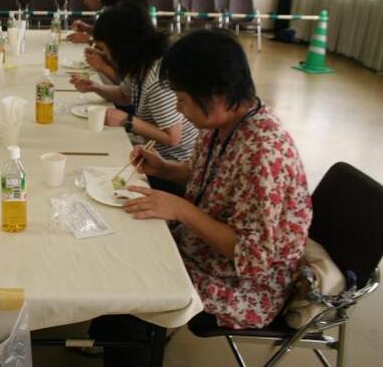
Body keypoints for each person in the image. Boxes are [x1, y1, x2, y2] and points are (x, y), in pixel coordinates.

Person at [125, 29, 312, 326]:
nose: (178, 107)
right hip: (203, 251)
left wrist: (181, 209)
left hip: (246, 286)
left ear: (218, 94)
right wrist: (163, 168)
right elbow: (206, 176)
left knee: (137, 279)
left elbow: (252, 258)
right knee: (129, 240)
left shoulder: (263, 153)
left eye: (183, 99)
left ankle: (128, 341)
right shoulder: (225, 123)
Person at [71, 0, 197, 195]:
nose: (105, 54)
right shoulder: (139, 65)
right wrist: (95, 87)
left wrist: (127, 121)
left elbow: (173, 137)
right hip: (151, 154)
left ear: (122, 46)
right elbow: (124, 95)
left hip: (170, 167)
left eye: (104, 48)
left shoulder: (157, 79)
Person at [82, 0, 149, 83]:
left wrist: (103, 66)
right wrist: (106, 57)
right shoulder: (133, 30)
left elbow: (130, 89)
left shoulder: (142, 45)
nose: (109, 15)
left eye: (112, 9)